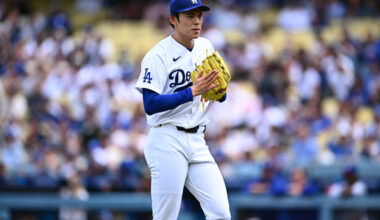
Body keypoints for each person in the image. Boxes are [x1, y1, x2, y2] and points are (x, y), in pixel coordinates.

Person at [135, 0, 231, 219]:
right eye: (189, 16)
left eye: (199, 15)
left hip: (198, 140)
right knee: (166, 216)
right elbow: (150, 105)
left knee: (221, 213)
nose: (196, 21)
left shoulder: (206, 46)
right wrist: (192, 91)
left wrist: (218, 90)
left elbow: (220, 96)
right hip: (166, 139)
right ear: (173, 20)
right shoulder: (158, 55)